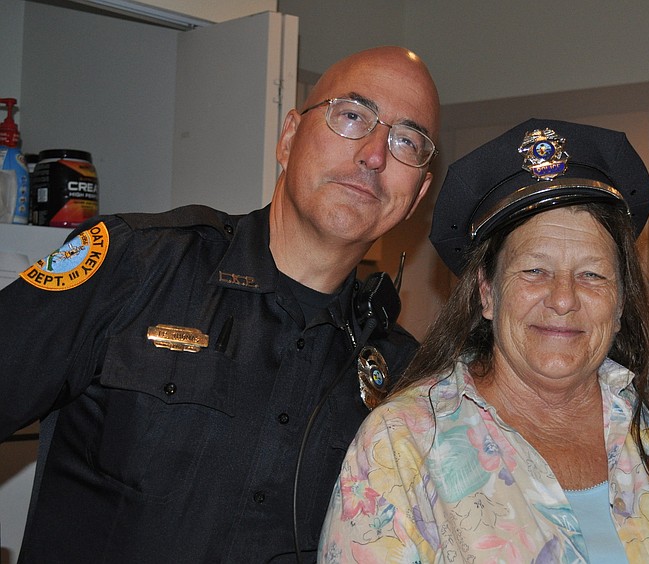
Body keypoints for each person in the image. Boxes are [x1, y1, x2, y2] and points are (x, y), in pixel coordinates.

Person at [0, 46, 440, 562]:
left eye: (406, 140)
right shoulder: (135, 263)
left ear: (417, 194)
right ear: (289, 136)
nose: (374, 155)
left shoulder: (406, 380)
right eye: (351, 116)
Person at [319, 119, 649, 562]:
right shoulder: (401, 448)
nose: (564, 299)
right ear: (487, 292)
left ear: (622, 299)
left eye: (592, 274)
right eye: (535, 270)